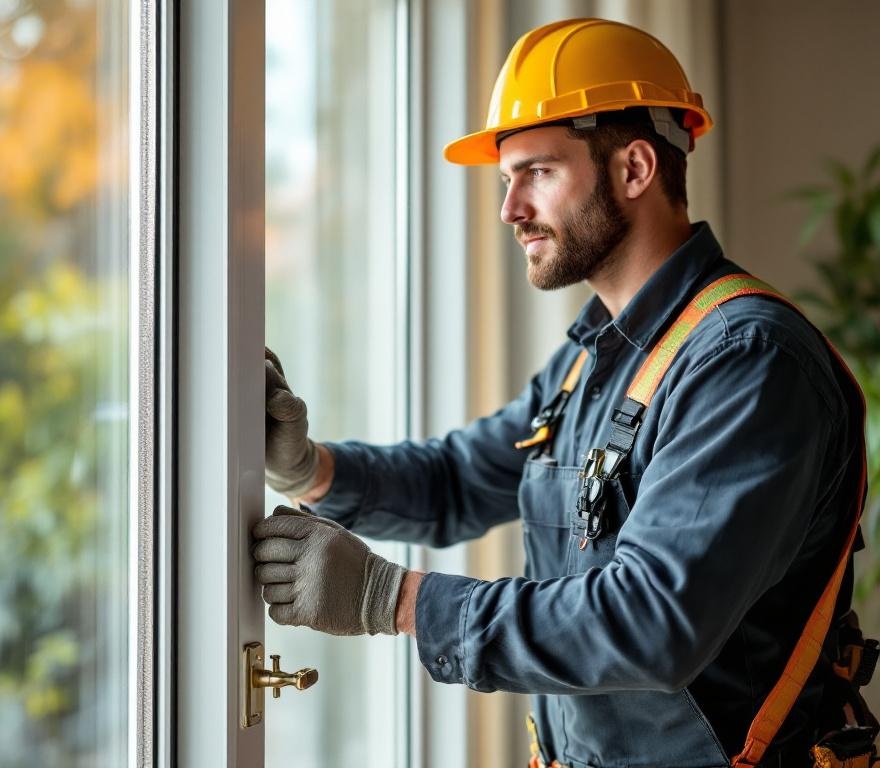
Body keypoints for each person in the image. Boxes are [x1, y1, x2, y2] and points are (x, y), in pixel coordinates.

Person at [252, 18, 876, 768]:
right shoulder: (595, 361)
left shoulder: (747, 363)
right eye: (506, 178)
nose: (510, 209)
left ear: (636, 168)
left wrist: (394, 599)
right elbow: (457, 479)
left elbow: (649, 623)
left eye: (538, 172)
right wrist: (306, 469)